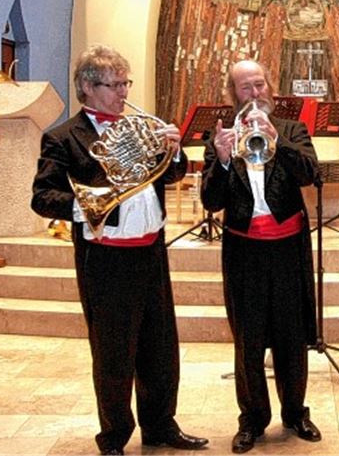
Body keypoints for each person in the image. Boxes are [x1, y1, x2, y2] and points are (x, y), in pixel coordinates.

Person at [31, 45, 207, 455]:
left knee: (160, 348)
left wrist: (174, 151)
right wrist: (89, 206)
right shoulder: (63, 137)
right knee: (114, 353)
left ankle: (161, 425)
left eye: (126, 83)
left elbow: (171, 176)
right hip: (105, 258)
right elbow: (42, 197)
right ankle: (113, 435)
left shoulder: (139, 128)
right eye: (114, 85)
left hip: (151, 251)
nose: (124, 92)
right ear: (88, 87)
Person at [201, 60, 321, 454]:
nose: (255, 93)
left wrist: (277, 140)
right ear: (233, 94)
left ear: (270, 86)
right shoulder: (221, 138)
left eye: (260, 84)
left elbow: (309, 174)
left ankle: (295, 413)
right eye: (246, 87)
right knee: (248, 341)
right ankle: (252, 419)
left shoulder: (292, 129)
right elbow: (211, 201)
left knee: (291, 337)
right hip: (244, 251)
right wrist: (221, 161)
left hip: (287, 249)